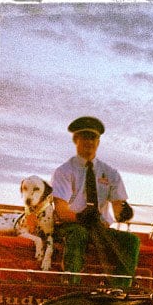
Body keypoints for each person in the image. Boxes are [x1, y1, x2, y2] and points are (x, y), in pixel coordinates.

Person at [52, 116, 140, 288]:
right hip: (71, 225)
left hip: (99, 228)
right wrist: (81, 217)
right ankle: (71, 287)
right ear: (75, 139)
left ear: (98, 141)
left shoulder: (110, 173)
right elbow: (62, 211)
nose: (89, 141)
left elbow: (118, 208)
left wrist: (124, 213)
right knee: (79, 234)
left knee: (131, 241)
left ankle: (119, 290)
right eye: (84, 136)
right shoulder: (64, 171)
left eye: (93, 137)